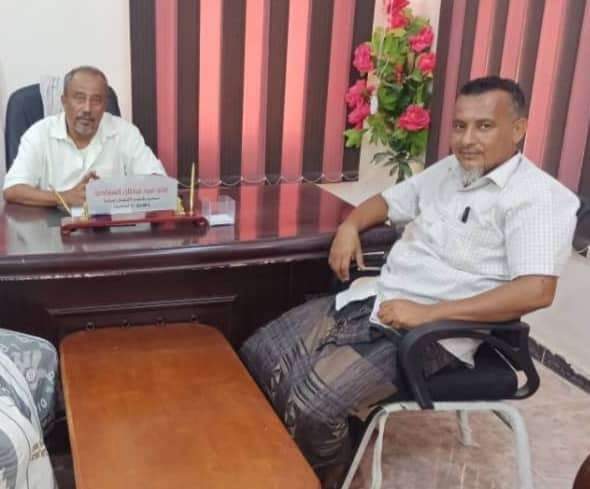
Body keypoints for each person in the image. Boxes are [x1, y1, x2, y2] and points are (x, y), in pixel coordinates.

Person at [239, 76, 580, 488]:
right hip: (377, 300)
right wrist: (349, 226)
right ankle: (292, 455)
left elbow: (536, 290)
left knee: (314, 406)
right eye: (459, 125)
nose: (466, 139)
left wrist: (429, 313)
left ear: (518, 129)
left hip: (436, 332)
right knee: (258, 354)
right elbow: (387, 202)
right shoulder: (451, 171)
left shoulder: (538, 197)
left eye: (484, 126)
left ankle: (333, 476)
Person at [3, 66, 166, 208]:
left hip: (109, 227)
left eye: (96, 100)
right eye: (79, 99)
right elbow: (13, 189)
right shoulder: (39, 134)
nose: (87, 108)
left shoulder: (124, 132)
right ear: (64, 101)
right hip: (53, 228)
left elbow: (159, 183)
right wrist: (65, 197)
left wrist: (110, 194)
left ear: (105, 105)